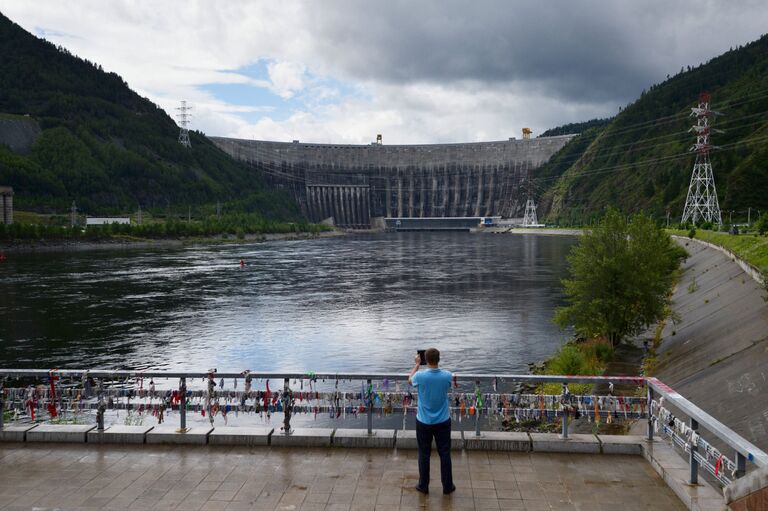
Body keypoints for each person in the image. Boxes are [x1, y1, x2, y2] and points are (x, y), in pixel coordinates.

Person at [408, 347, 455, 495]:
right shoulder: (447, 375)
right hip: (443, 421)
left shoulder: (420, 376)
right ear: (439, 359)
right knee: (445, 454)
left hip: (424, 422)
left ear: (424, 360)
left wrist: (416, 365)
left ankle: (423, 486)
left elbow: (410, 380)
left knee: (424, 454)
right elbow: (451, 380)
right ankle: (447, 486)